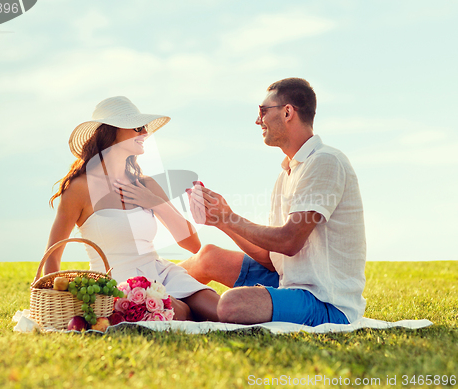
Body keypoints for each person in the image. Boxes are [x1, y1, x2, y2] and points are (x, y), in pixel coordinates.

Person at [182, 78, 366, 326]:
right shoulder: (287, 173)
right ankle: (140, 293)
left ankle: (173, 310)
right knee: (208, 256)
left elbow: (289, 242)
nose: (258, 120)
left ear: (288, 112)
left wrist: (229, 217)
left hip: (325, 302)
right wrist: (220, 221)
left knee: (231, 305)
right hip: (287, 281)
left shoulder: (325, 161)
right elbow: (271, 258)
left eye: (263, 111)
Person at [44, 96, 220, 321]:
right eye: (137, 127)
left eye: (144, 127)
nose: (144, 133)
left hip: (162, 273)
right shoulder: (80, 188)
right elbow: (52, 255)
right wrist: (55, 299)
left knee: (224, 310)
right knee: (182, 312)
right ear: (111, 132)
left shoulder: (146, 184)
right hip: (119, 286)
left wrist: (155, 202)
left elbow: (193, 245)